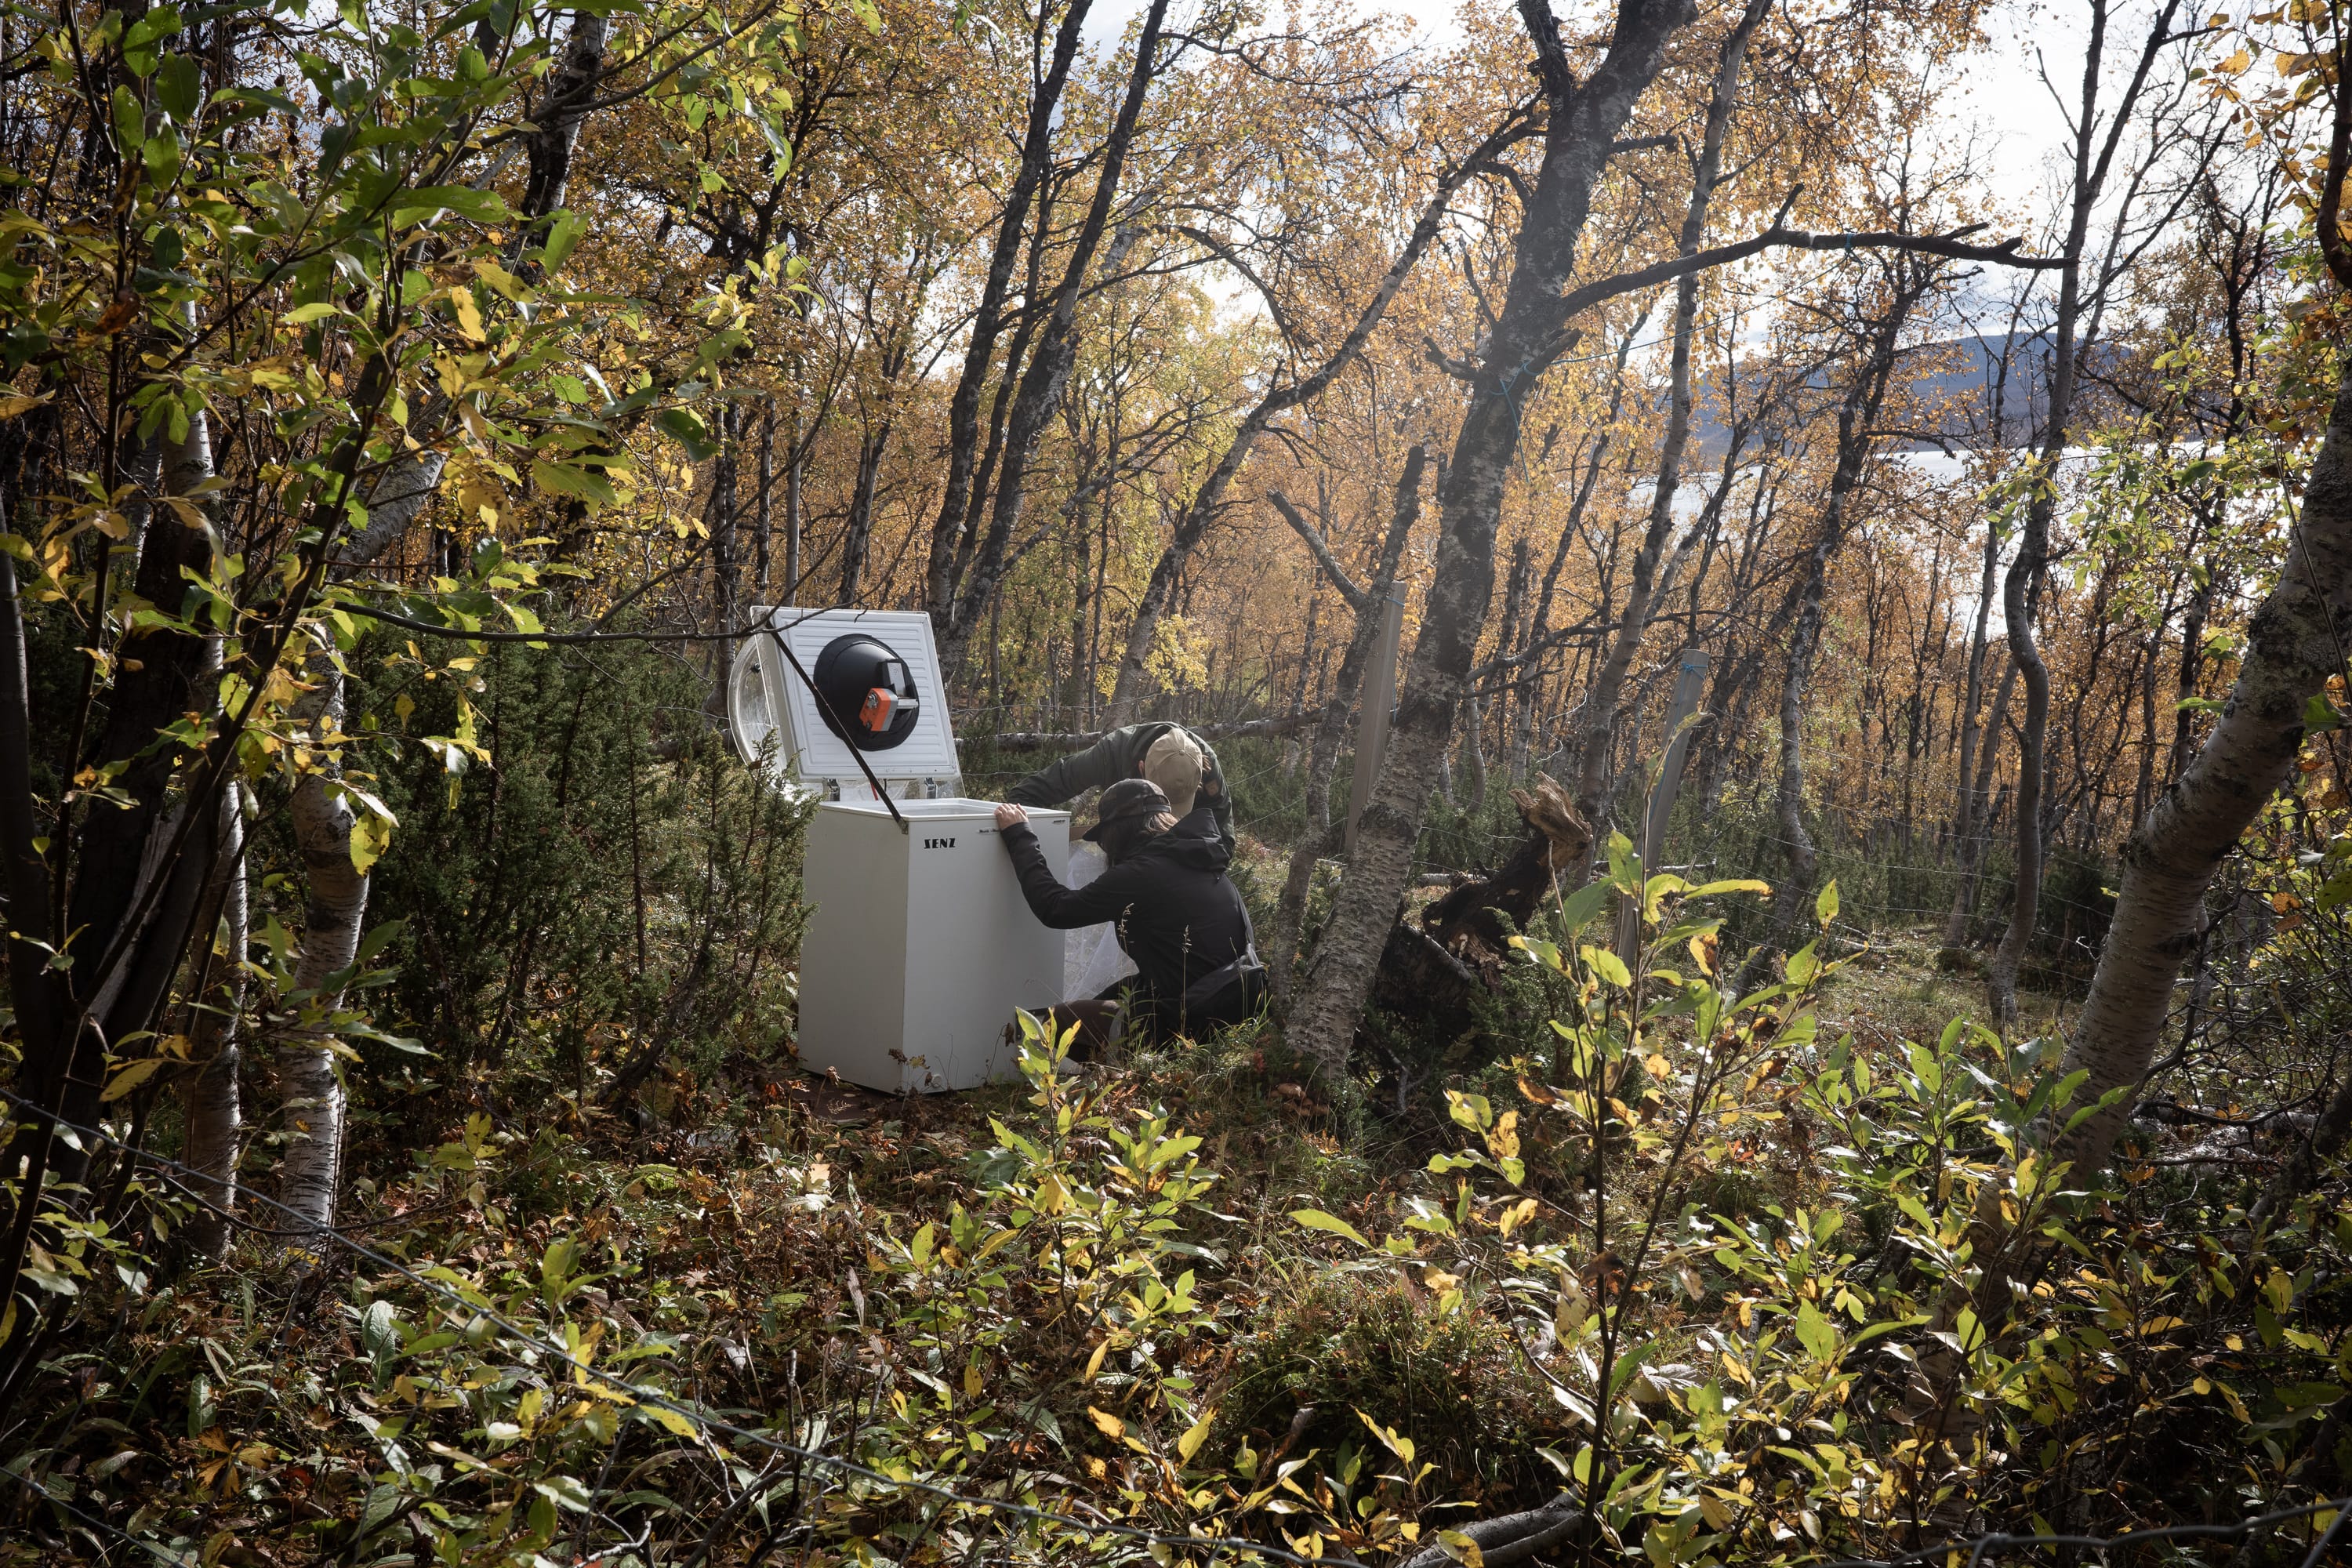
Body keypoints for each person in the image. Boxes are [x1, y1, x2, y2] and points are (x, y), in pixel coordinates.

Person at [994, 778, 1260, 1052]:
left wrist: (1019, 835)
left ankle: (1129, 1070)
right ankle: (1118, 1069)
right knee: (1113, 995)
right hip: (1229, 1011)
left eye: (1104, 840)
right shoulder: (1200, 858)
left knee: (1050, 1022)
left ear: (1118, 833)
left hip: (1191, 1023)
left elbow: (1055, 909)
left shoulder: (1142, 873)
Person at [1005, 722, 1235, 856]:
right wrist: (1022, 837)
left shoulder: (1204, 765)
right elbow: (1029, 794)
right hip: (1127, 846)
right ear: (1141, 769)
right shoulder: (1110, 755)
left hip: (1183, 849)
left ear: (1200, 781)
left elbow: (1224, 841)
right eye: (1163, 802)